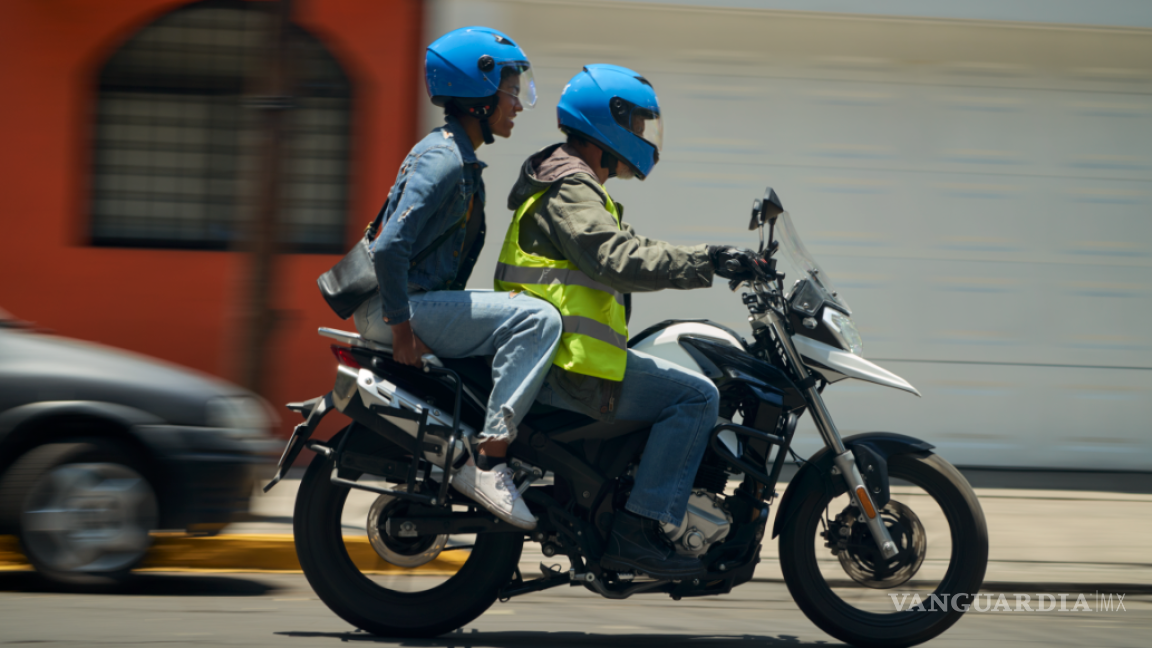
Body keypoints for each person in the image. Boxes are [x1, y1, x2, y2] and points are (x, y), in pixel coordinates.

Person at [494, 64, 762, 577]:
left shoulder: (574, 184)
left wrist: (718, 257)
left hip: (562, 359)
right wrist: (709, 260)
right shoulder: (571, 187)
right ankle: (637, 530)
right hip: (569, 370)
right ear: (606, 122)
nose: (643, 138)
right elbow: (617, 258)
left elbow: (632, 248)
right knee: (697, 396)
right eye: (637, 125)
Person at [353, 27, 560, 530]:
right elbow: (390, 247)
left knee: (517, 308)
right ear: (479, 93)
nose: (517, 103)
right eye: (510, 89)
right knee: (537, 319)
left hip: (411, 301)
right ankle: (490, 462)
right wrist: (402, 329)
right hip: (399, 306)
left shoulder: (455, 155)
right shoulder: (444, 159)